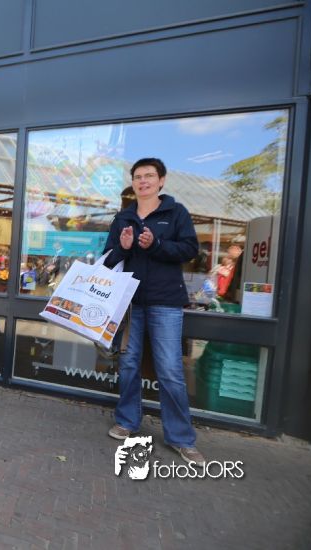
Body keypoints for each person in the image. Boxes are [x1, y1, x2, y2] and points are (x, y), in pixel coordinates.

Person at [103, 158, 205, 466]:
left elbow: (190, 250)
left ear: (161, 180)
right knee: (129, 364)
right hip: (130, 303)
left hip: (166, 302)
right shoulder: (123, 217)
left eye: (149, 175)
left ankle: (181, 438)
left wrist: (156, 244)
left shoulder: (176, 212)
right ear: (133, 182)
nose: (143, 181)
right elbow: (108, 260)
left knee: (170, 370)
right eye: (138, 176)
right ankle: (127, 421)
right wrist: (123, 247)